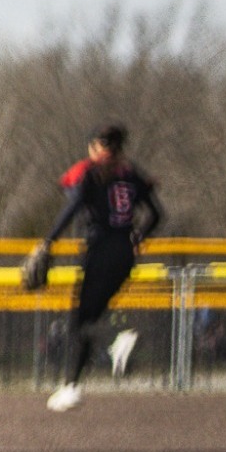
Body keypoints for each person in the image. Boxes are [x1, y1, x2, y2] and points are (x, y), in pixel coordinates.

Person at [35, 122, 163, 412]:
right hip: (124, 253)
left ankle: (118, 337)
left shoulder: (92, 173)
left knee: (79, 321)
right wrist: (138, 237)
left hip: (100, 250)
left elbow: (73, 207)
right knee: (89, 318)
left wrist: (48, 241)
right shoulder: (131, 174)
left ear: (96, 147)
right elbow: (156, 214)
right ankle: (71, 387)